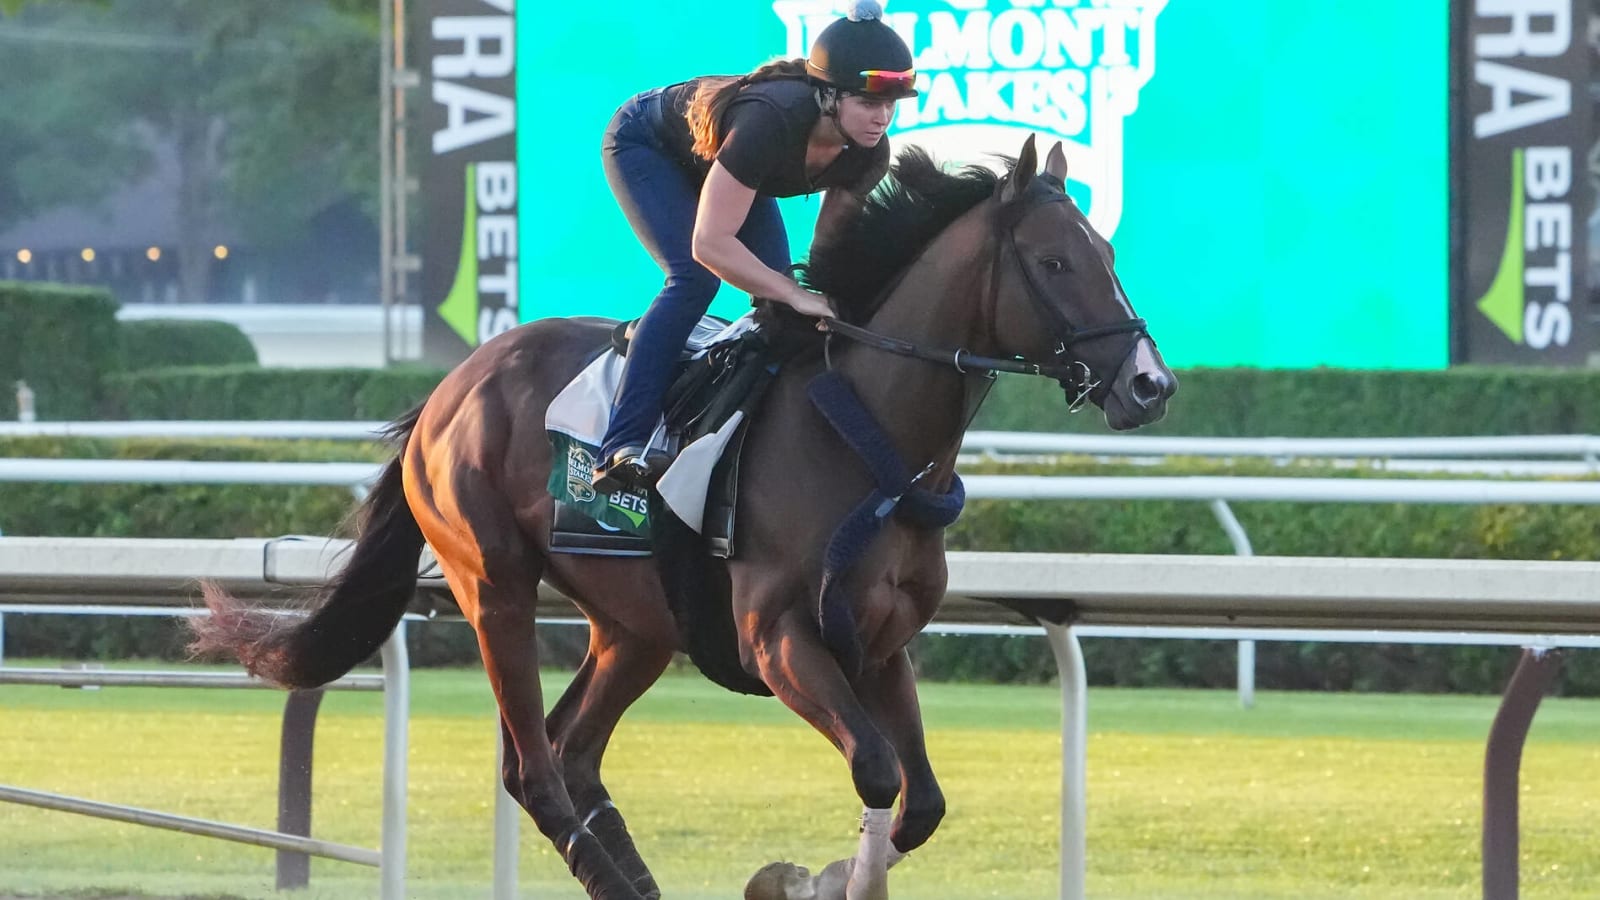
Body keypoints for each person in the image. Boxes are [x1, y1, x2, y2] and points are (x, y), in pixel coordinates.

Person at [592, 0, 918, 494]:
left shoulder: (869, 153)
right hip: (646, 143)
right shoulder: (773, 122)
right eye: (869, 103)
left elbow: (828, 254)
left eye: (892, 104)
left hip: (731, 166)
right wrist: (792, 293)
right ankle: (621, 444)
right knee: (693, 279)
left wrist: (815, 297)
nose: (882, 119)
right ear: (828, 97)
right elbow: (709, 244)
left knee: (783, 302)